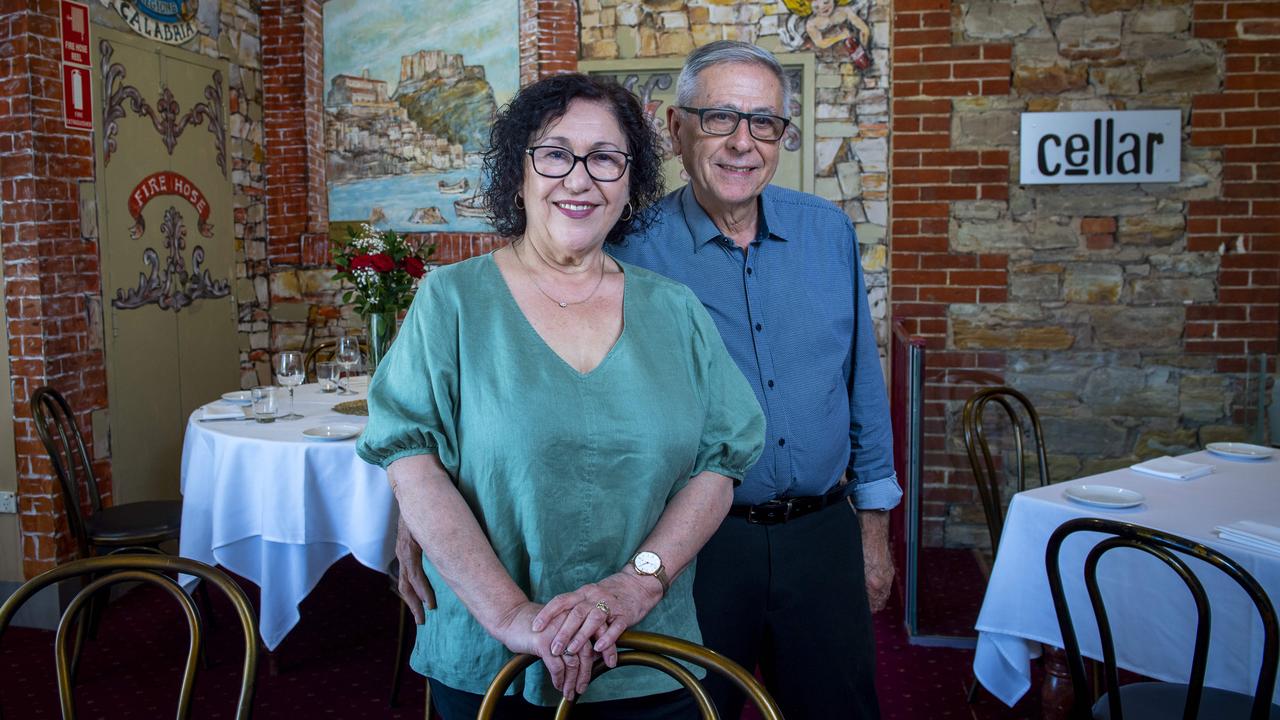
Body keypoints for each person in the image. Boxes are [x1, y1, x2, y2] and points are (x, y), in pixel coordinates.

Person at [359, 73, 765, 719]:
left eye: (605, 158)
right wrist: (513, 617)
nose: (579, 179)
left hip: (647, 655)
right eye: (554, 153)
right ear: (517, 172)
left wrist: (634, 587)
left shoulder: (676, 310)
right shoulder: (452, 301)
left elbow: (719, 465)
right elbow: (412, 464)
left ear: (631, 183)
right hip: (490, 660)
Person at [609, 41, 900, 719]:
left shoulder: (827, 232)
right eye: (719, 118)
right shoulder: (629, 253)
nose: (743, 143)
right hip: (694, 549)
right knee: (687, 711)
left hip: (822, 535)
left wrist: (873, 534)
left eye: (764, 122)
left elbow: (861, 384)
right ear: (676, 128)